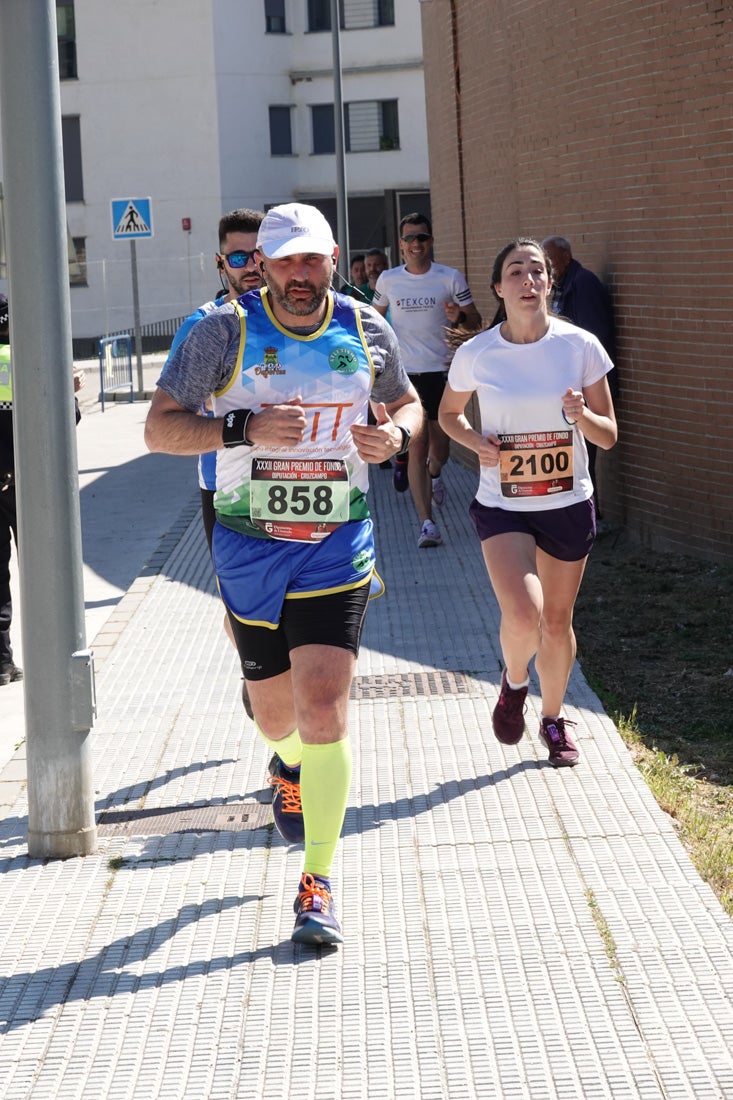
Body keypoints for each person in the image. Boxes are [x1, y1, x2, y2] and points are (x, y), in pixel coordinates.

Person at [145, 203, 423, 945]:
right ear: (261, 264)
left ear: (333, 258)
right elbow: (159, 426)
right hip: (248, 544)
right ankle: (287, 761)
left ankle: (317, 882)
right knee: (278, 716)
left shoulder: (366, 328)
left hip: (338, 540)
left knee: (326, 704)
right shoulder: (222, 333)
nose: (301, 276)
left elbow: (405, 401)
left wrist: (393, 433)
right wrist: (240, 427)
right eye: (285, 261)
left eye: (313, 260)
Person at [439, 238, 617, 767]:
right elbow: (448, 416)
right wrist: (476, 443)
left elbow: (607, 436)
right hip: (504, 503)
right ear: (499, 287)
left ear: (549, 282)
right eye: (515, 271)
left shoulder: (580, 346)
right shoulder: (477, 352)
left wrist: (579, 415)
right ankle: (515, 685)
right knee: (524, 612)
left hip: (566, 502)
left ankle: (554, 720)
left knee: (557, 622)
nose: (527, 280)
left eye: (536, 271)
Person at [164, 208, 266, 719]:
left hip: (312, 486)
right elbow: (165, 424)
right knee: (241, 616)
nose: (251, 266)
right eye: (239, 256)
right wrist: (237, 430)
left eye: (259, 254)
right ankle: (259, 671)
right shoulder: (202, 327)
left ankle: (279, 711)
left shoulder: (306, 320)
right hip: (227, 492)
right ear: (220, 262)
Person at [373, 213, 481, 548]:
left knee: (441, 447)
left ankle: (436, 475)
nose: (416, 244)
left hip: (443, 372)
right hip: (406, 375)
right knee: (416, 446)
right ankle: (426, 523)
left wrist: (459, 315)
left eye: (422, 237)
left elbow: (475, 321)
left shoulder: (449, 277)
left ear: (430, 241)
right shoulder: (388, 281)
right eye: (409, 239)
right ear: (401, 245)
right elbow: (373, 319)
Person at [541, 236, 618, 514]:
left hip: (584, 390)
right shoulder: (560, 286)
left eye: (549, 260)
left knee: (585, 454)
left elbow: (594, 337)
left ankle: (589, 512)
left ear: (565, 255)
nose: (548, 266)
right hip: (564, 393)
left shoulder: (582, 284)